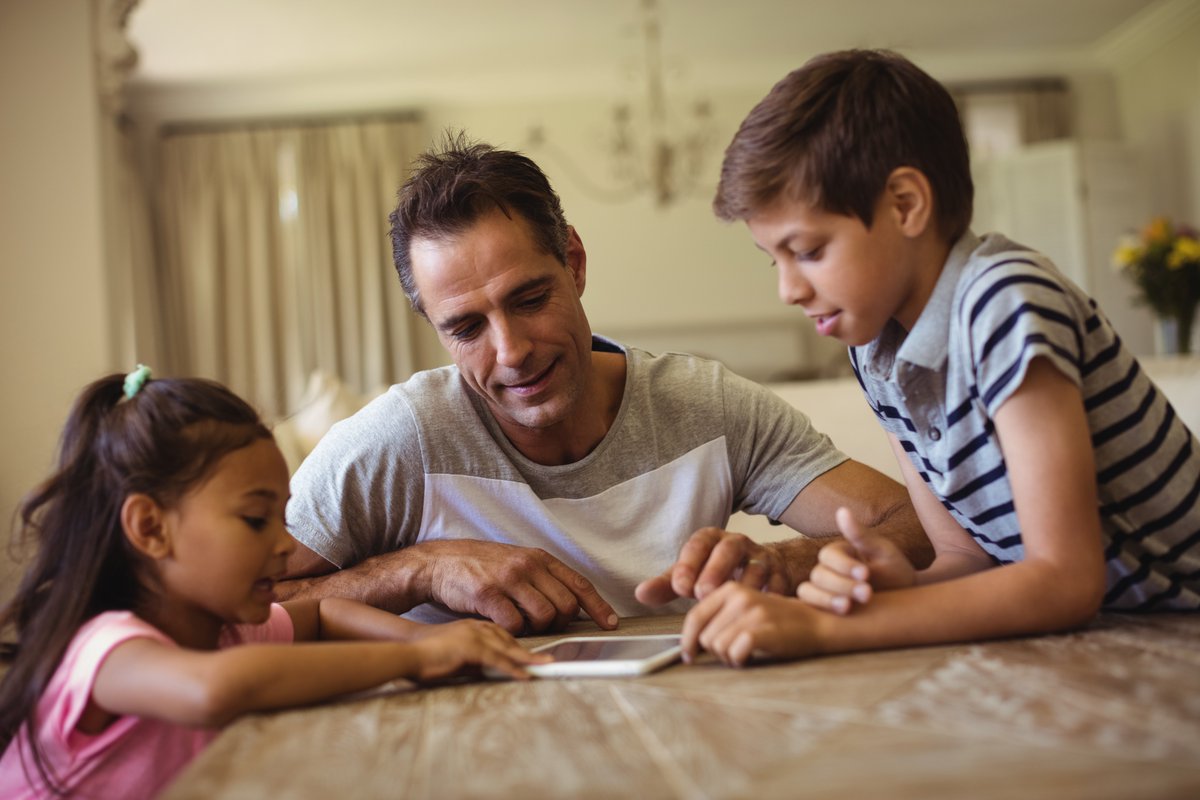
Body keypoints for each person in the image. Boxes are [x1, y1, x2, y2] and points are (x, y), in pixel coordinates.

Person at [279, 133, 932, 633]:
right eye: (467, 327)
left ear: (575, 262)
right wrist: (421, 569)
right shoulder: (393, 444)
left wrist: (789, 564)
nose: (512, 353)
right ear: (432, 324)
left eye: (530, 298)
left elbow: (912, 524)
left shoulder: (707, 407)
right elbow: (242, 615)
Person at [681, 48, 1200, 667]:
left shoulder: (1004, 301)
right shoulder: (872, 348)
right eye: (776, 260)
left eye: (810, 250)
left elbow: (1065, 580)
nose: (788, 290)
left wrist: (823, 632)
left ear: (905, 204)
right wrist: (884, 590)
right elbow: (964, 559)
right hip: (1124, 637)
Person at [0, 366, 541, 799]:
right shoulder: (105, 649)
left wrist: (423, 638)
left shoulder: (227, 629)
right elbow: (217, 688)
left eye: (283, 519)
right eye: (256, 520)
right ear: (150, 528)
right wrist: (414, 660)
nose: (284, 545)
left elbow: (323, 614)